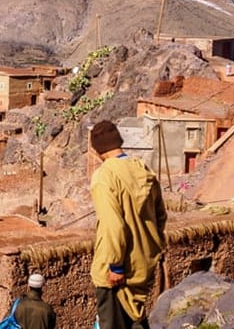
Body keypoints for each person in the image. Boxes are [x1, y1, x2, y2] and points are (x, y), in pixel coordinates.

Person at [89, 120, 167, 329]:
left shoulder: (105, 176)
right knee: (135, 319)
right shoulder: (142, 168)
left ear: (97, 149)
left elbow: (112, 225)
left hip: (116, 273)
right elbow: (160, 216)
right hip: (143, 265)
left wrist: (115, 265)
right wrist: (151, 248)